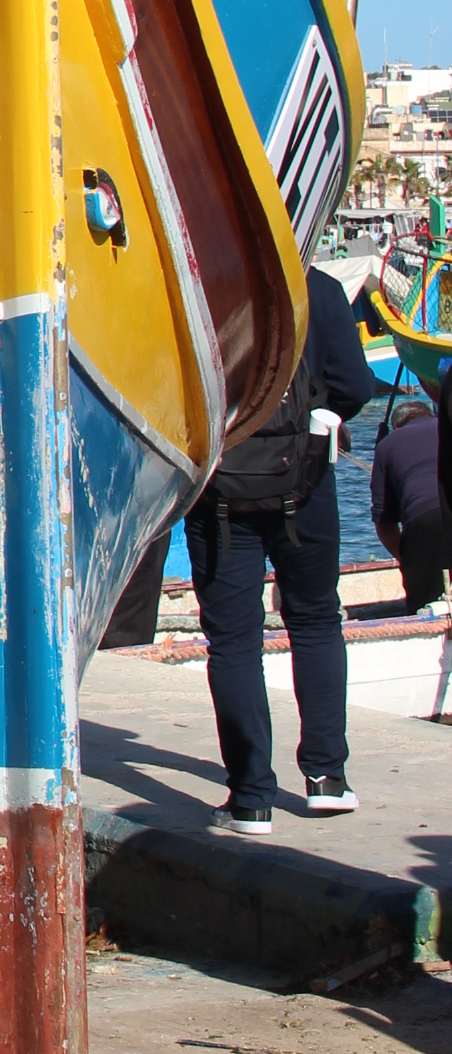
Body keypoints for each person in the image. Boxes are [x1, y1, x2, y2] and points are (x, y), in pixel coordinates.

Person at [186, 266, 377, 836]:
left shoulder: (202, 281)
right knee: (316, 621)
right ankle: (327, 778)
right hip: (305, 482)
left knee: (233, 640)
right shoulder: (317, 287)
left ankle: (250, 798)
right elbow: (357, 387)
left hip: (221, 490)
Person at [370, 391, 449, 616]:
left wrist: (408, 559)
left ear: (396, 426)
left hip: (424, 520)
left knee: (425, 603)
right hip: (443, 508)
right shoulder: (446, 426)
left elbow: (384, 521)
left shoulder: (387, 445)